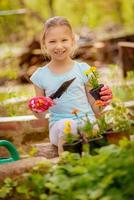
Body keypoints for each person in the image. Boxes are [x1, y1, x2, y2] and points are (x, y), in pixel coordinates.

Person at [29, 16, 112, 155]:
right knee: (68, 126)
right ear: (44, 44)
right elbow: (41, 115)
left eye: (64, 40)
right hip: (59, 127)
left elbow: (96, 110)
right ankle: (68, 168)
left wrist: (103, 101)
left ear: (73, 40)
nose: (59, 46)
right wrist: (36, 109)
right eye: (52, 41)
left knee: (92, 129)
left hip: (87, 122)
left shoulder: (83, 69)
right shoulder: (40, 76)